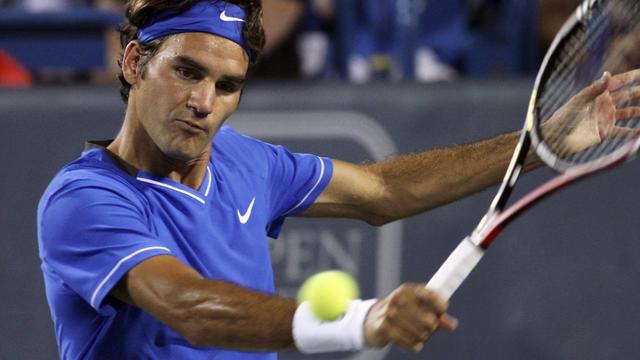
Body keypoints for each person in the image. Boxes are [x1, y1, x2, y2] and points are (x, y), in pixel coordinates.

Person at [36, 0, 638, 359]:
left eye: (227, 86)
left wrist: (537, 143)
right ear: (136, 62)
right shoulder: (85, 199)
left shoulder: (246, 163)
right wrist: (361, 320)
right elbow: (189, 307)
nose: (203, 102)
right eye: (186, 73)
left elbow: (383, 191)